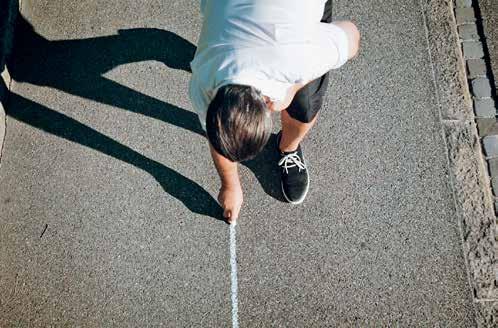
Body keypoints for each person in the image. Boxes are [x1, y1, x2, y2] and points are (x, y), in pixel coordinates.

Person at [189, 0, 360, 224]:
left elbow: (352, 36)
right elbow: (217, 133)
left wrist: (293, 89)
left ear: (269, 105)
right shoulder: (202, 79)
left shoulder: (299, 60)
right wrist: (230, 185)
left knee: (304, 105)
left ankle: (288, 147)